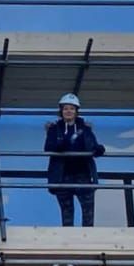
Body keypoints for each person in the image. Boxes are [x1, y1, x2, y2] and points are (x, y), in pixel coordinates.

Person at [44, 94, 105, 227]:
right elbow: (48, 147)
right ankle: (68, 239)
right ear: (61, 111)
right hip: (62, 176)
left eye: (72, 108)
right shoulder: (54, 129)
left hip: (83, 174)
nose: (68, 111)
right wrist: (59, 146)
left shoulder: (85, 128)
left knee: (88, 211)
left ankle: (88, 237)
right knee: (67, 212)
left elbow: (93, 146)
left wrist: (99, 149)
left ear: (77, 111)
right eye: (65, 108)